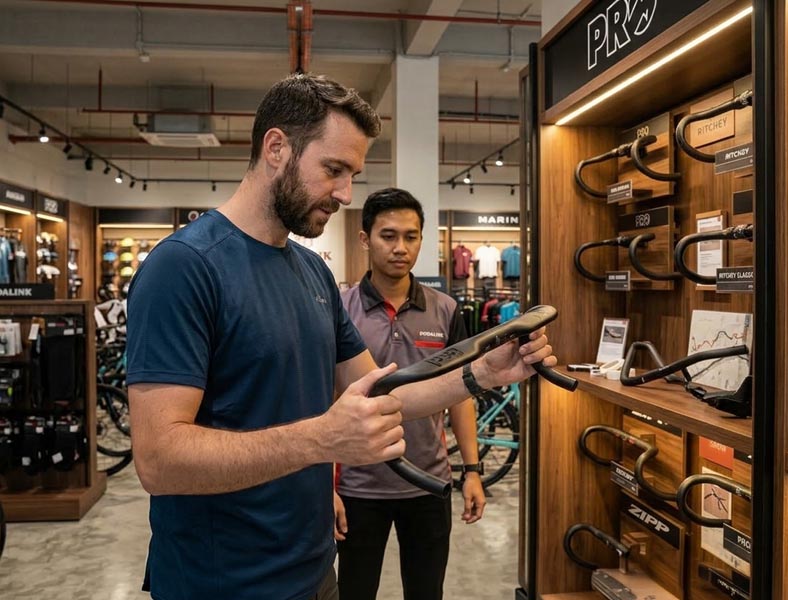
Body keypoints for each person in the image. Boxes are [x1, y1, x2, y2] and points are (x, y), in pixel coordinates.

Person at [126, 73, 556, 600]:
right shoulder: (185, 267)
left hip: (313, 571)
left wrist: (484, 372)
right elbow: (158, 458)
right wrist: (320, 439)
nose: (345, 193)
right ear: (277, 148)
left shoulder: (311, 274)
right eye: (333, 170)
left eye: (352, 173)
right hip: (221, 581)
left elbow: (384, 392)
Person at [335, 188, 485, 600]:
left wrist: (471, 471)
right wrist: (323, 487)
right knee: (354, 591)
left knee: (426, 592)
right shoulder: (339, 309)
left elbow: (459, 395)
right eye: (388, 236)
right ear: (365, 239)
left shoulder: (446, 310)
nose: (400, 248)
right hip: (357, 487)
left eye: (411, 236)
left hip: (429, 485)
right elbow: (324, 399)